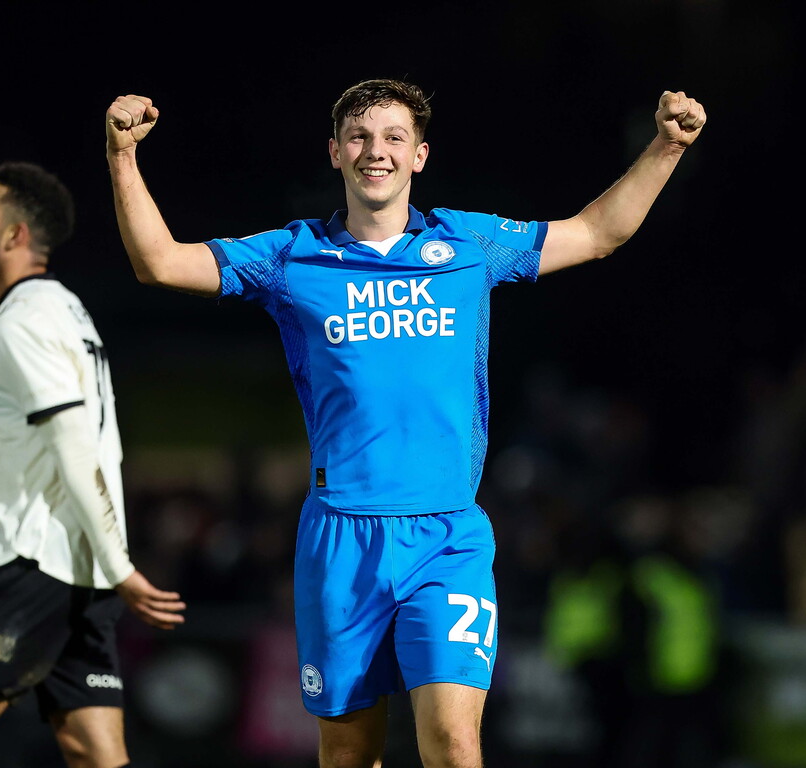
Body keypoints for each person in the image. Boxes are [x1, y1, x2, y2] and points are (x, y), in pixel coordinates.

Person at [104, 79, 706, 768]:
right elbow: (159, 262)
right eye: (359, 136)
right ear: (335, 152)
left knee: (453, 743)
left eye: (394, 138)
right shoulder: (291, 255)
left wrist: (666, 146)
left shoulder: (470, 244)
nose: (376, 151)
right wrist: (123, 157)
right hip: (340, 540)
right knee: (348, 752)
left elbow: (598, 234)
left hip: (446, 536)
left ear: (420, 155)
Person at [0, 161, 187, 768]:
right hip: (75, 566)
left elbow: (75, 448)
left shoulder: (23, 322)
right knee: (94, 751)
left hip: (38, 571)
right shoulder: (67, 310)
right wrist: (21, 513)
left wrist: (122, 568)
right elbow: (85, 443)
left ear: (14, 237)